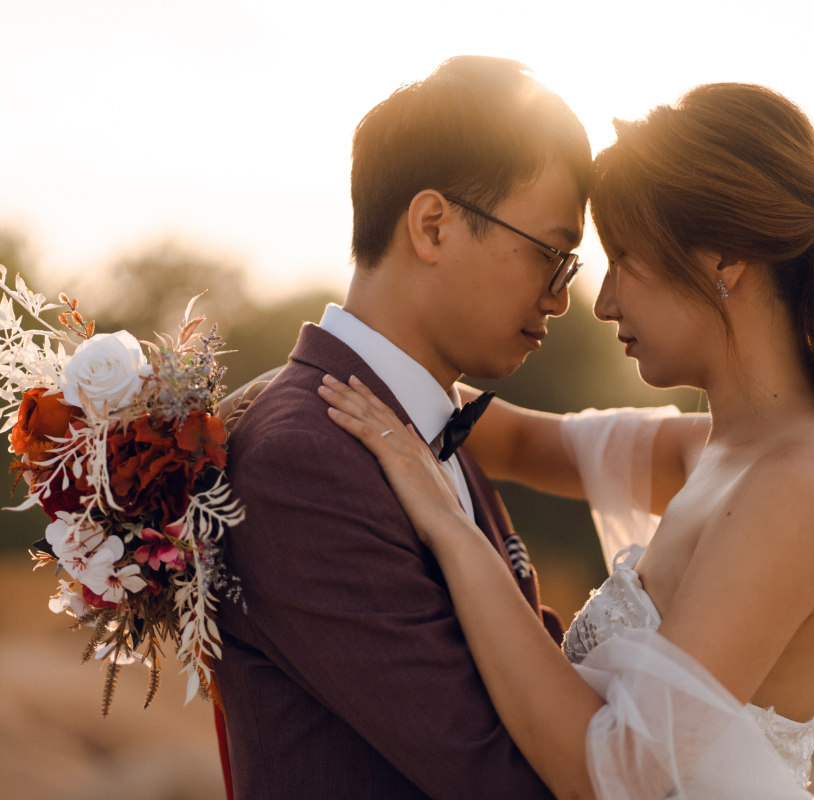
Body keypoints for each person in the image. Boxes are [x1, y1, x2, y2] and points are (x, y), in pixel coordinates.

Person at [319, 82, 814, 799]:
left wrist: (452, 533)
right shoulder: (701, 452)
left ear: (723, 259)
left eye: (624, 257)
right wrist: (306, 377)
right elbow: (514, 443)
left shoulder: (802, 483)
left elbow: (616, 776)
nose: (602, 299)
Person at [213, 56, 592, 799]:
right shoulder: (303, 457)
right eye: (552, 254)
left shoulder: (423, 425)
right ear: (432, 226)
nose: (561, 299)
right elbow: (499, 774)